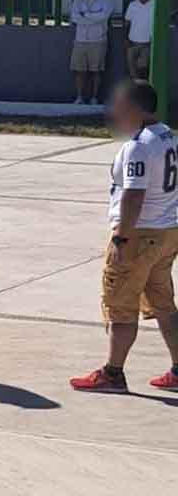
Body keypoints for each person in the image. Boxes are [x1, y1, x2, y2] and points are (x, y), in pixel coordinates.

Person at [71, 80, 178, 392]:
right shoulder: (167, 136)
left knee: (120, 304)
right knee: (164, 304)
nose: (115, 110)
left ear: (134, 107)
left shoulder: (139, 146)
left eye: (119, 104)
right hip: (166, 233)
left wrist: (121, 239)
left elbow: (133, 196)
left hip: (138, 235)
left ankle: (113, 372)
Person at [70, 0, 113, 104]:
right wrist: (93, 18)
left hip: (98, 40)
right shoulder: (78, 1)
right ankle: (79, 97)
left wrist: (86, 15)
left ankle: (94, 97)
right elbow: (75, 18)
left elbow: (103, 16)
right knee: (79, 70)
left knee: (96, 71)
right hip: (80, 40)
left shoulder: (106, 1)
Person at [124, 0, 155, 80]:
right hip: (132, 44)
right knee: (132, 72)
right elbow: (127, 23)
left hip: (148, 44)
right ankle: (137, 94)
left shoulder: (156, 4)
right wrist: (126, 38)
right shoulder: (133, 5)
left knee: (143, 70)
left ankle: (144, 93)